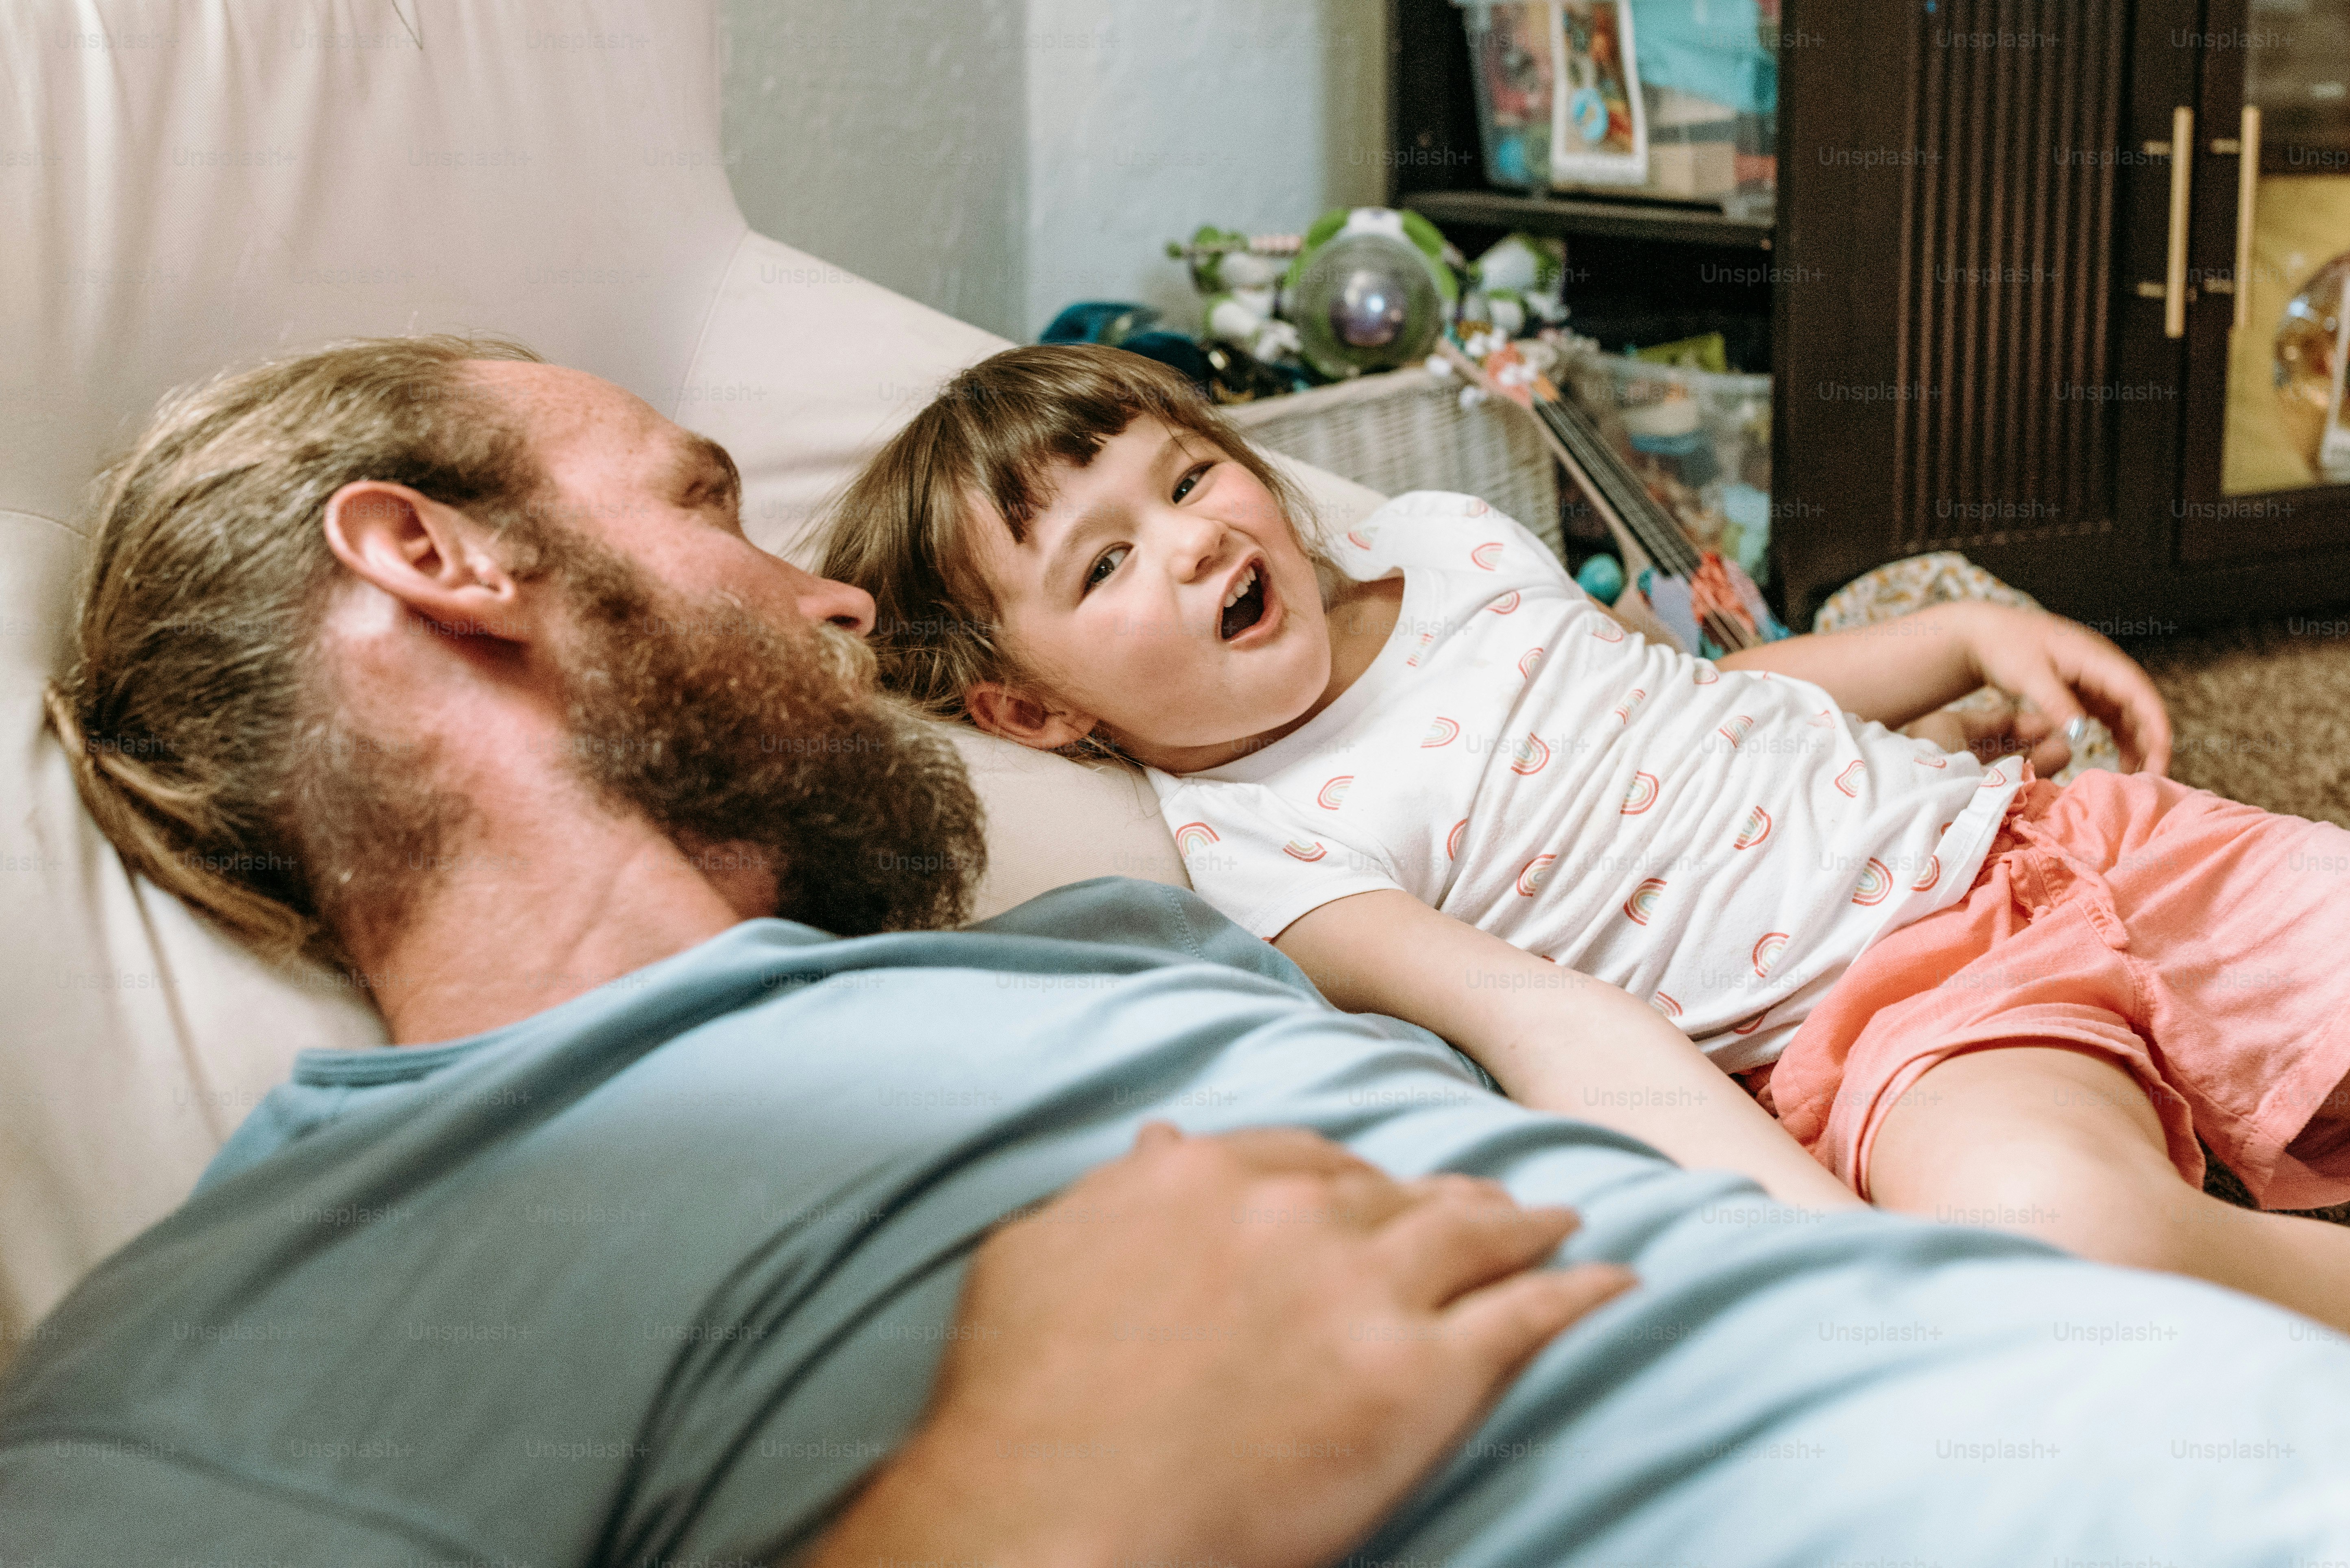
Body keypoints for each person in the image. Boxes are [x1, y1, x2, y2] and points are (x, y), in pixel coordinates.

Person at [11, 335, 2350, 1564]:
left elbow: (1605, 1060)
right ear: (435, 558)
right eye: (706, 505)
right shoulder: (294, 1295)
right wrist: (1027, 1507)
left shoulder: (1115, 943)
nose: (836, 600)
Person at [826, 342, 2350, 1331]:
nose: (1196, 537)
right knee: (2062, 1238)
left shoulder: (1440, 541)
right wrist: (1819, 1240)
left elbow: (1682, 700)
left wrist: (1951, 641)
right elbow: (1545, 1022)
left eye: (1185, 475)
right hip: (1890, 1016)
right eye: (1106, 564)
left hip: (2036, 830)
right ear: (1026, 714)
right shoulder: (1260, 842)